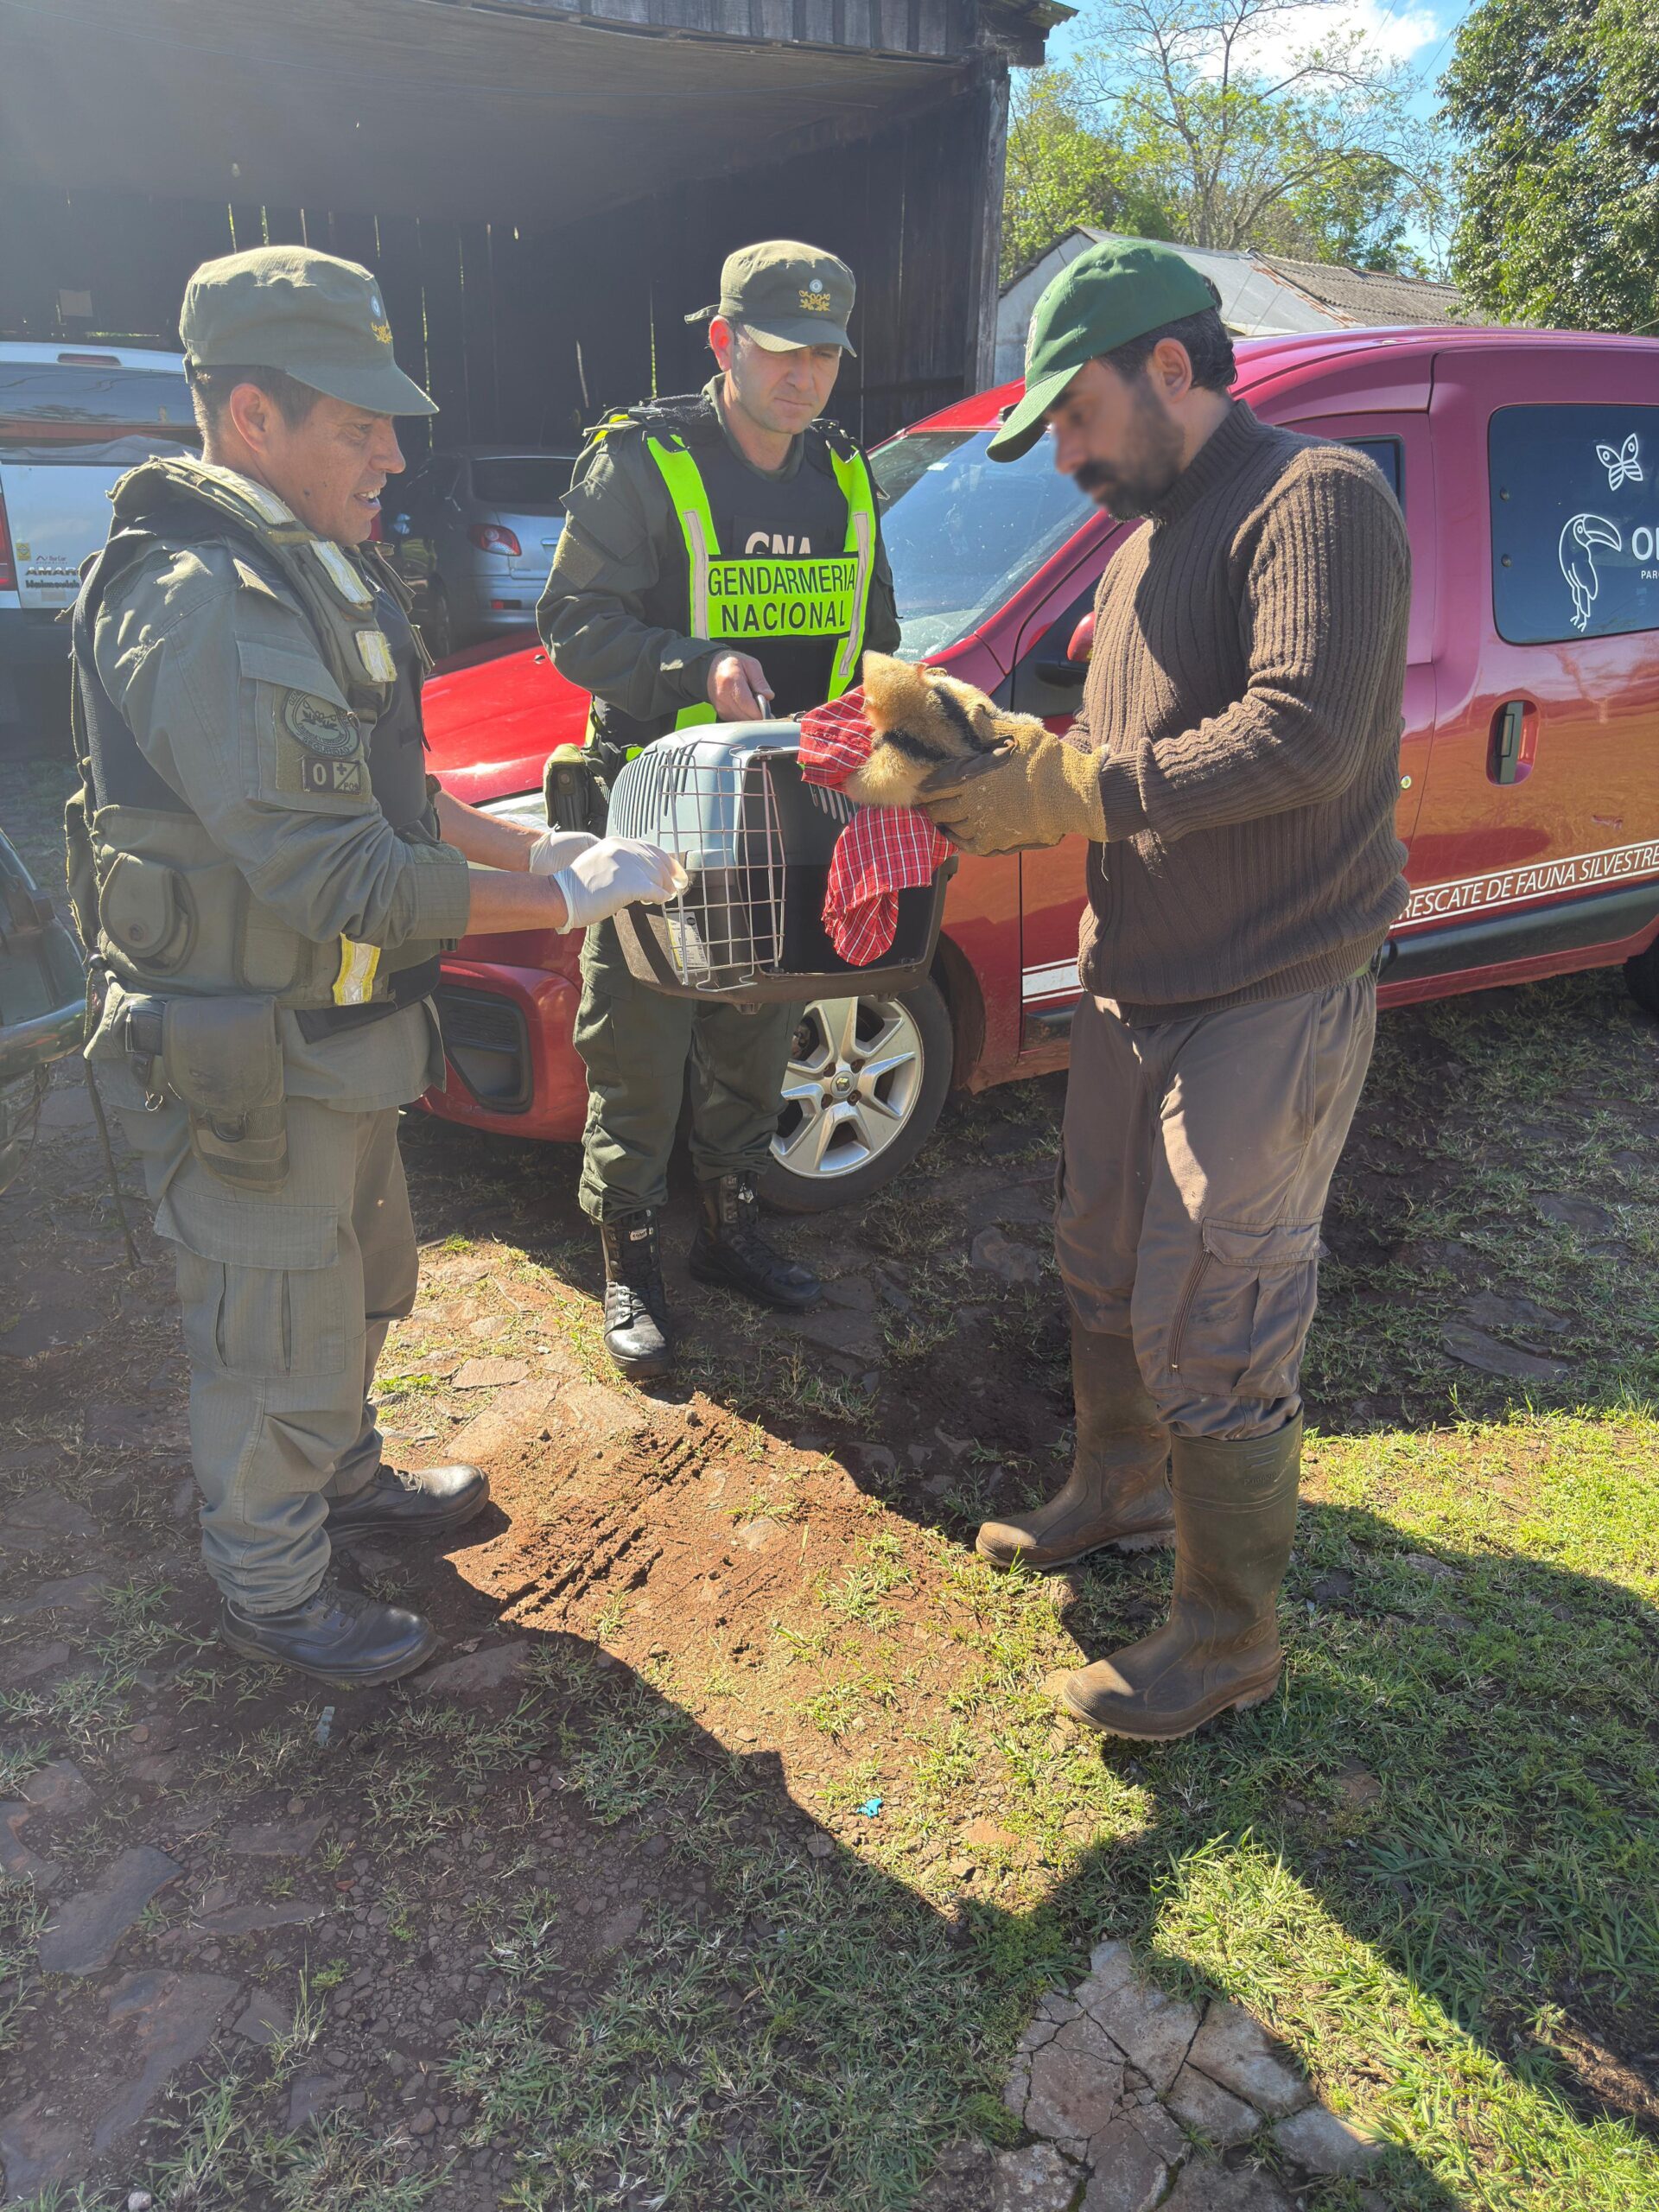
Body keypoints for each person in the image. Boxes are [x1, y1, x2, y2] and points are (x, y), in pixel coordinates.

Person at [68, 246, 679, 1688]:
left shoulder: (310, 569)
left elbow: (394, 799)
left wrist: (544, 849)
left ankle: (343, 1483)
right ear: (251, 416)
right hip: (249, 1046)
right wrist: (558, 907)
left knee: (355, 1283)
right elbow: (338, 875)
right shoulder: (205, 597)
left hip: (331, 1044)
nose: (397, 453)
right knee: (273, 1326)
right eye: (360, 423)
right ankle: (274, 1583)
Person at [917, 240, 1411, 1742]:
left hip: (1270, 985)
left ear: (1173, 371)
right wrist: (1003, 729)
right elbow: (1130, 728)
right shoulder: (1143, 544)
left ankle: (1227, 1634)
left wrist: (1065, 785)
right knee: (1103, 1257)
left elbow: (1305, 739)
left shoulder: (1316, 501)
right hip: (1138, 981)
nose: (1063, 455)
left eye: (1072, 417)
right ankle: (1121, 1489)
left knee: (1221, 1308)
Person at [538, 240, 902, 1381]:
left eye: (826, 354)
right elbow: (573, 626)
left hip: (792, 812)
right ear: (724, 343)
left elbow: (874, 636)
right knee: (639, 1047)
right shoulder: (644, 464)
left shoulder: (844, 472)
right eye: (782, 349)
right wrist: (695, 664)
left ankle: (733, 1229)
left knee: (758, 1020)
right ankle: (631, 1255)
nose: (805, 375)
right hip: (659, 814)